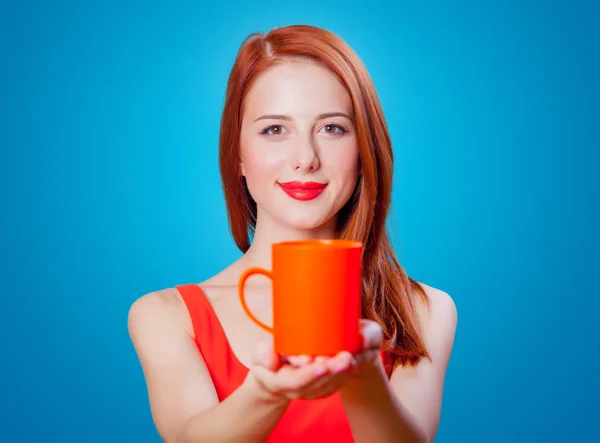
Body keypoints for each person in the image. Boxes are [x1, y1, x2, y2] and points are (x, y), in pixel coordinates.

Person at [128, 24, 458, 443]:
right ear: (239, 155)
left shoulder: (423, 310)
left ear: (363, 153)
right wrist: (266, 392)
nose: (305, 159)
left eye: (333, 128)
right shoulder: (166, 316)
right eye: (274, 130)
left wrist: (362, 377)